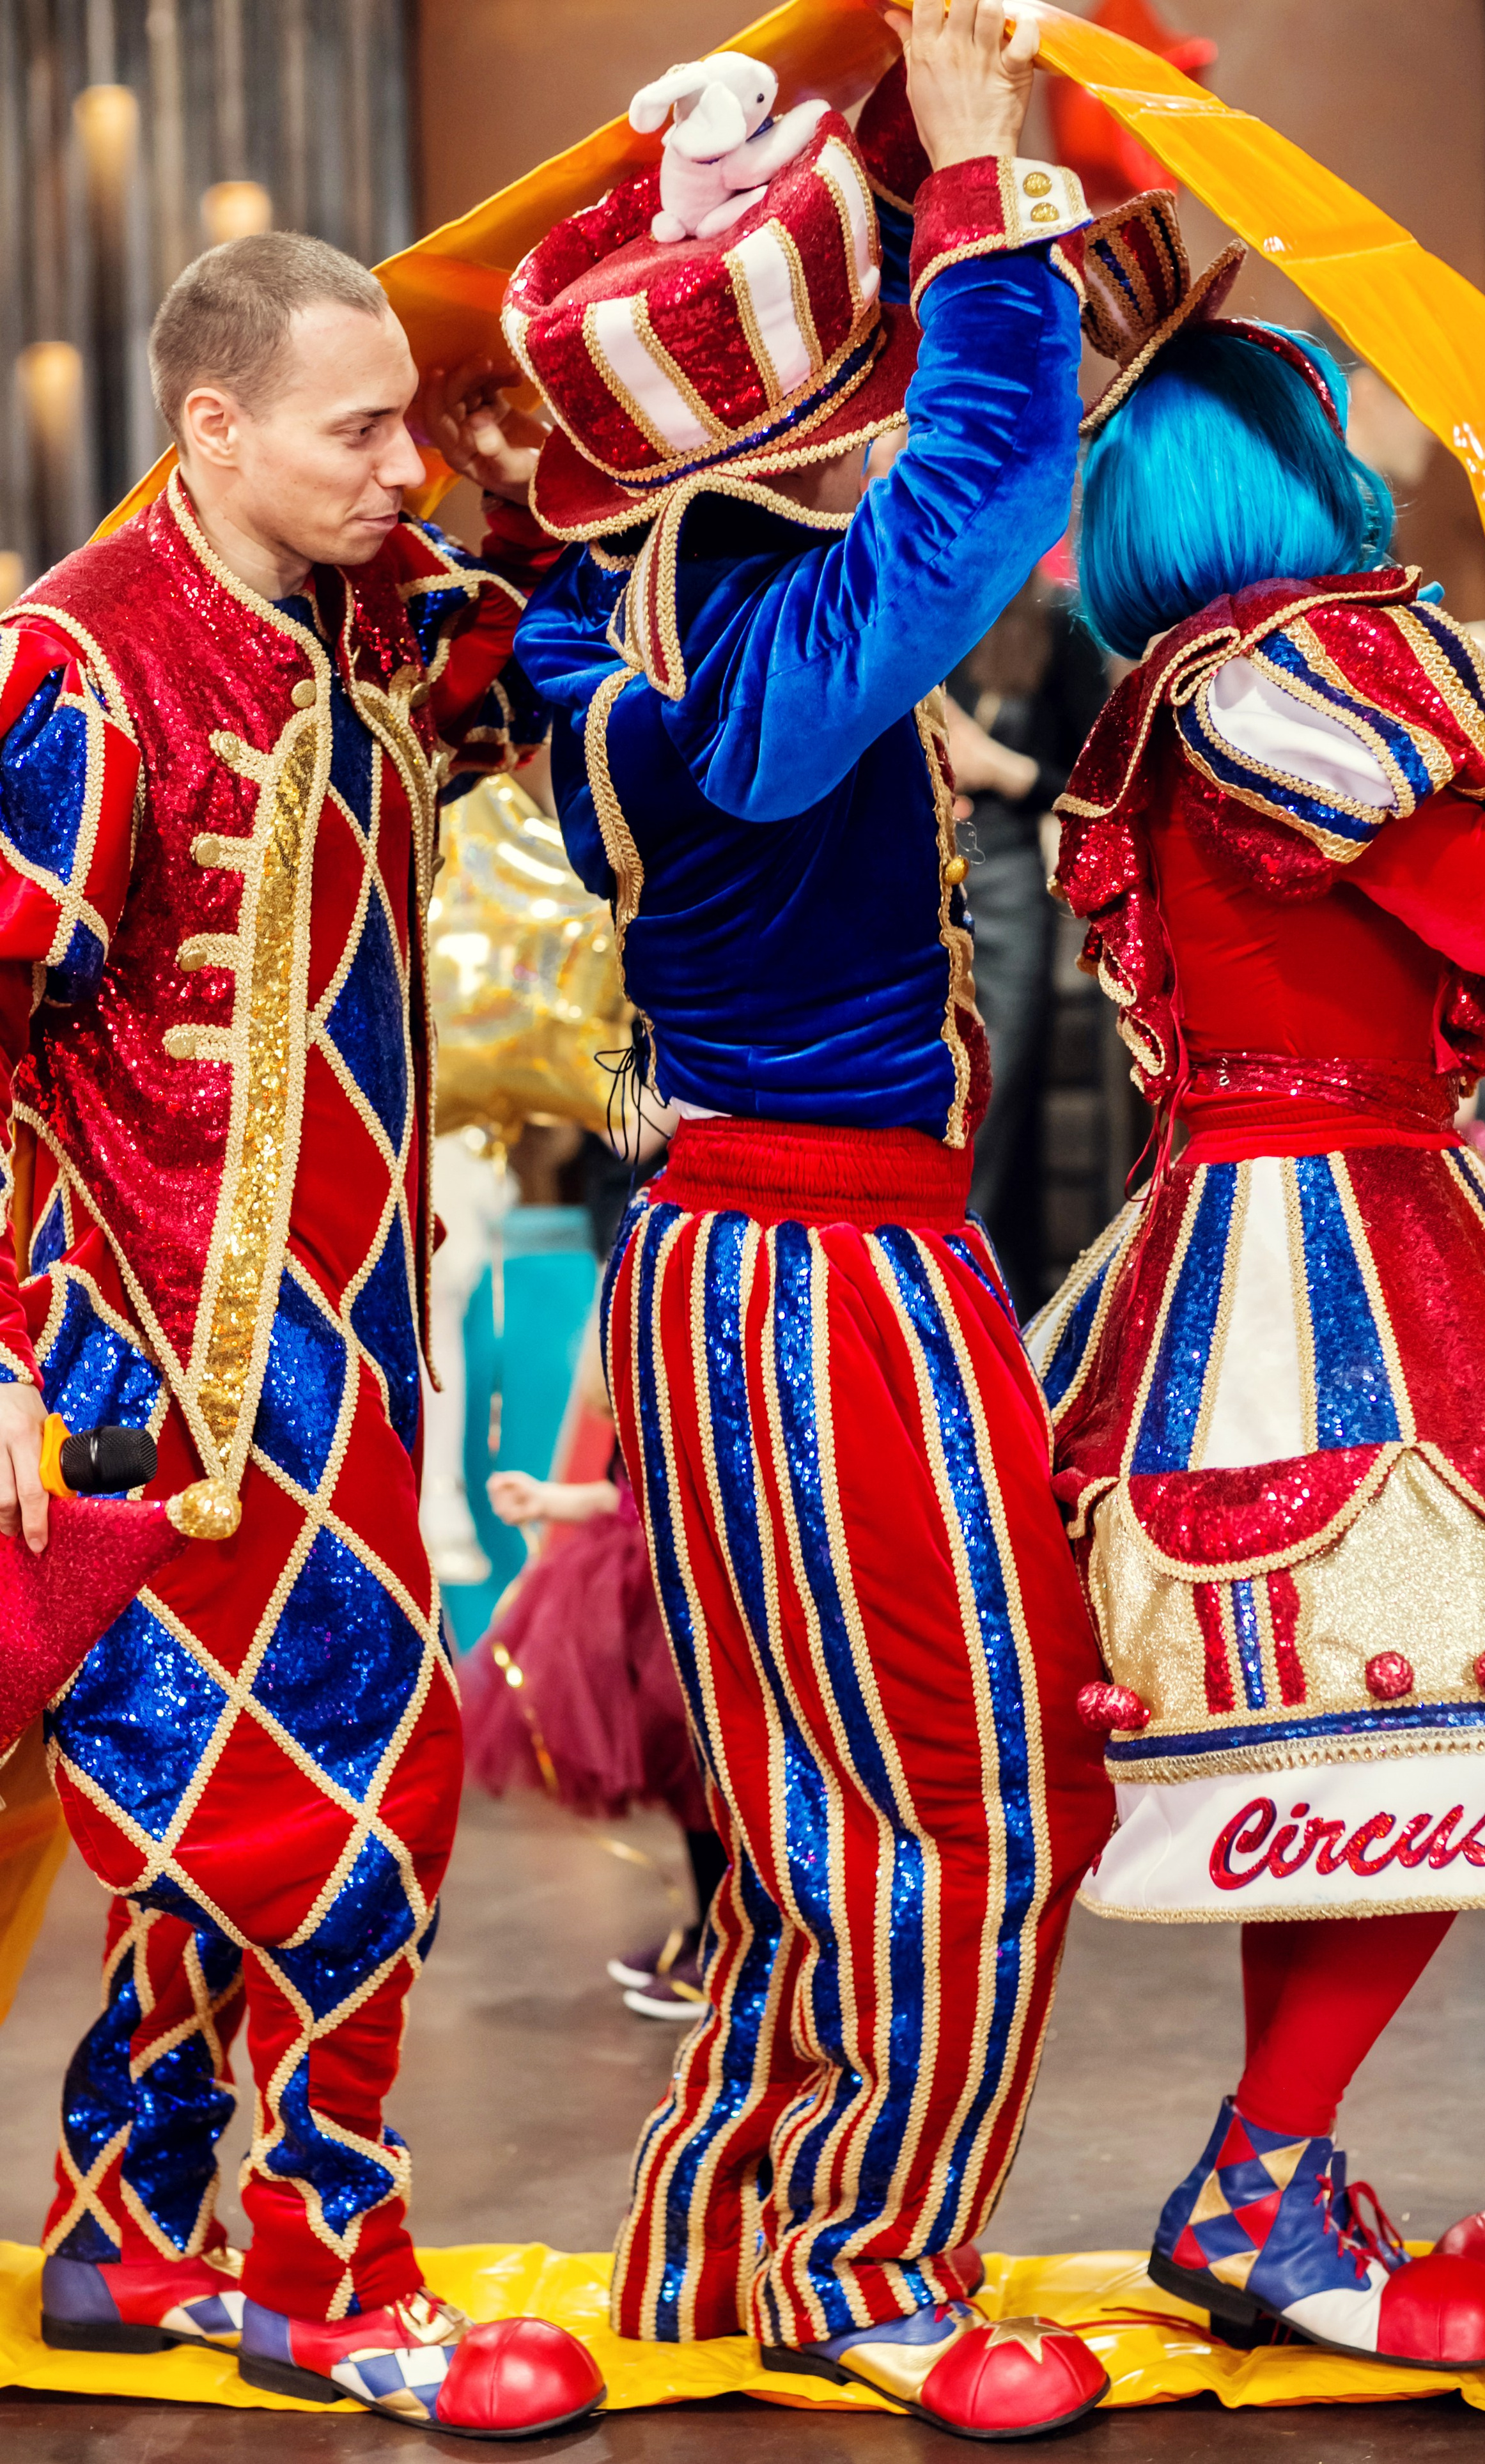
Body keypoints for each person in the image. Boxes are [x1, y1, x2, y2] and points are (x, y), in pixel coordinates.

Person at [499, 1, 1115, 2438]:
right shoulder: (739, 648)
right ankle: (860, 2252)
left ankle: (726, 2236)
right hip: (808, 1264)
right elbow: (961, 504)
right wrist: (969, 189)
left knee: (798, 1791)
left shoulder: (594, 621)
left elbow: (894, 555)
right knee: (955, 1788)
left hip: (752, 1253)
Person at [0, 231, 603, 2435]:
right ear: (211, 427)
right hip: (172, 1364)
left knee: (197, 1818)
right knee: (359, 1805)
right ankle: (326, 2272)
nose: (402, 464)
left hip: (343, 1335)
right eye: (360, 429)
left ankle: (123, 2233)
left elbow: (531, 651)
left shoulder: (367, 603)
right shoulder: (76, 667)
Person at [1030, 193, 1485, 2369]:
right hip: (1343, 1243)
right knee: (1454, 1726)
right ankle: (1264, 2172)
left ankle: (1273, 2160)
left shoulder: (1174, 694)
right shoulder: (1297, 679)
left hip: (1256, 1235)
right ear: (1294, 466)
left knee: (1358, 1763)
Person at [465, 1325, 729, 2021]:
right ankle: (708, 1928)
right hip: (642, 1586)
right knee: (686, 1783)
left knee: (714, 1782)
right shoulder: (637, 1399)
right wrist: (551, 1501)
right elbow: (625, 1495)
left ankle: (737, 1954)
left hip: (694, 1593)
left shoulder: (699, 1390)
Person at [944, 577, 1107, 1312]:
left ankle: (971, 1303)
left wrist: (1001, 767)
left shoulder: (1054, 622)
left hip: (1002, 884)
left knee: (987, 1103)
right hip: (913, 878)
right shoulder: (914, 598)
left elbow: (1098, 786)